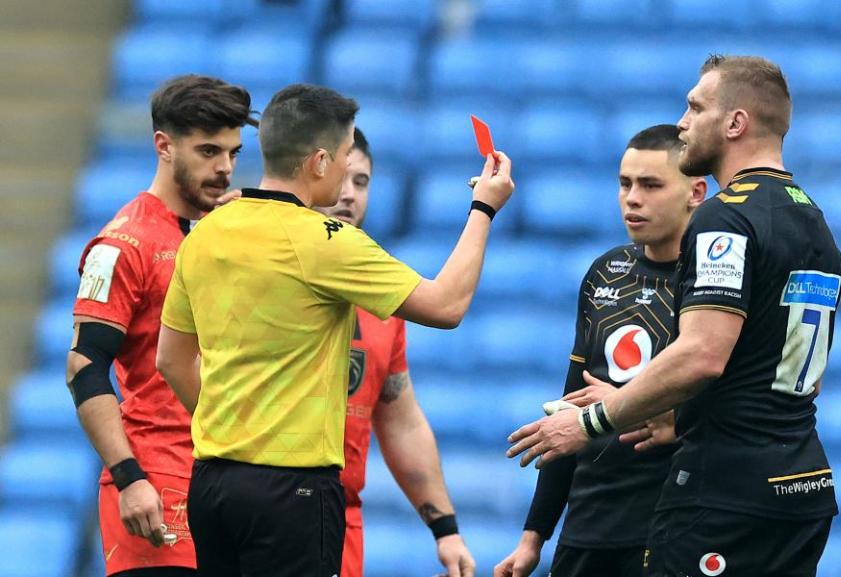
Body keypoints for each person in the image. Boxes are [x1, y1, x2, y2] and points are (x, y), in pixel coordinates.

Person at [155, 84, 514, 577]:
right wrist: (484, 208)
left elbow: (170, 360)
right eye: (346, 157)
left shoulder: (206, 233)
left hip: (212, 483)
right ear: (320, 161)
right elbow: (447, 305)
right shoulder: (328, 242)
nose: (347, 173)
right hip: (292, 493)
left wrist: (236, 431)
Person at [506, 54, 841, 577]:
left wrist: (594, 419)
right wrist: (674, 417)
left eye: (694, 106)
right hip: (801, 485)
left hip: (727, 492)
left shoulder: (726, 215)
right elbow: (795, 374)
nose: (683, 122)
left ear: (735, 123)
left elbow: (703, 354)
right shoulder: (812, 221)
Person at [494, 125, 706, 577]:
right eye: (625, 183)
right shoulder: (605, 273)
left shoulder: (713, 287)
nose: (632, 198)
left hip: (668, 525)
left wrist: (667, 418)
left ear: (696, 192)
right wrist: (534, 536)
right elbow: (568, 406)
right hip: (587, 527)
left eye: (651, 185)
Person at [66, 74, 255, 576]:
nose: (225, 168)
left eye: (233, 153)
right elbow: (84, 368)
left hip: (226, 482)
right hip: (160, 490)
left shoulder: (216, 235)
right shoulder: (123, 244)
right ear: (163, 146)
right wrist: (129, 478)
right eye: (209, 151)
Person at [318, 128, 476, 577]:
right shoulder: (262, 268)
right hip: (265, 507)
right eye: (339, 178)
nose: (348, 195)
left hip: (338, 520)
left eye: (362, 182)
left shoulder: (382, 297)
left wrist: (445, 528)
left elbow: (400, 419)